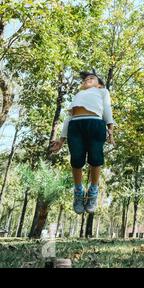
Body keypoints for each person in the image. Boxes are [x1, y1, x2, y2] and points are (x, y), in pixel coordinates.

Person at [50, 70, 115, 214]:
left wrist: (111, 131)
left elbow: (107, 109)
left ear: (99, 85)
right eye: (85, 79)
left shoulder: (102, 92)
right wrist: (61, 140)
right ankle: (78, 192)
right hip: (76, 126)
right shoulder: (78, 95)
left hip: (96, 124)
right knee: (76, 160)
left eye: (92, 78)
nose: (87, 80)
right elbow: (69, 117)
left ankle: (93, 191)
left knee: (96, 159)